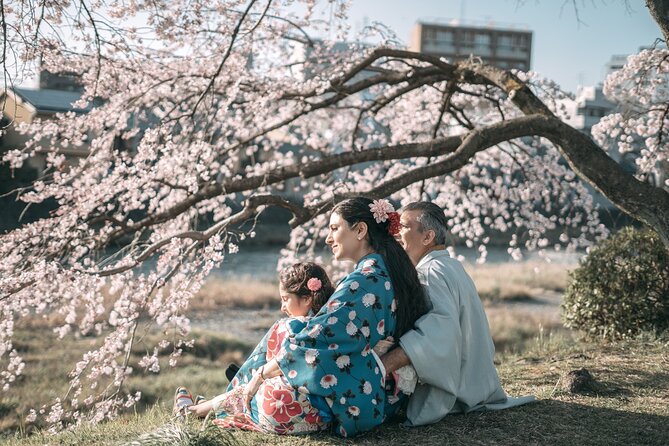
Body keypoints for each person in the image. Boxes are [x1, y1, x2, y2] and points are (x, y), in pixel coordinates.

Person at [180, 197, 429, 437]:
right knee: (289, 333)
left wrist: (263, 373)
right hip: (377, 392)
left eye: (334, 228)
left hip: (358, 395)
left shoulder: (365, 282)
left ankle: (205, 407)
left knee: (276, 396)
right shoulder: (387, 271)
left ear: (361, 230)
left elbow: (315, 341)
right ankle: (215, 402)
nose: (329, 238)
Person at [380, 201, 535, 426]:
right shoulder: (451, 266)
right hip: (477, 383)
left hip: (456, 392)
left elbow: (435, 334)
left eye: (403, 226)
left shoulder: (429, 273)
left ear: (427, 237)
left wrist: (382, 364)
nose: (396, 233)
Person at [173, 262, 334, 419]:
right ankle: (207, 405)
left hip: (287, 410)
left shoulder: (295, 324)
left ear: (306, 299)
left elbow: (277, 364)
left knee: (250, 390)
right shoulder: (331, 324)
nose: (282, 307)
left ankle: (190, 411)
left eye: (285, 299)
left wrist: (256, 377)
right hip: (321, 416)